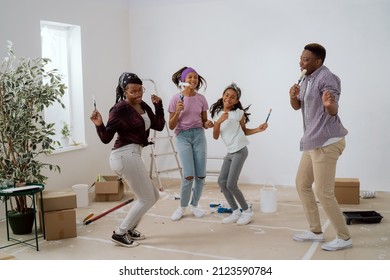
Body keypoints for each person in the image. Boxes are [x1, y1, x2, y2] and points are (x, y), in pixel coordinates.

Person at [90, 72, 165, 247]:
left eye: (140, 90)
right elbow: (106, 138)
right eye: (133, 91)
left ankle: (129, 229)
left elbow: (159, 126)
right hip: (124, 155)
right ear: (125, 91)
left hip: (133, 154)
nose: (138, 94)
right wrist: (99, 124)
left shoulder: (142, 104)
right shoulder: (119, 109)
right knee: (146, 198)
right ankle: (120, 232)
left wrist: (158, 105)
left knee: (152, 196)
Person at [289, 43, 352, 251]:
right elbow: (298, 106)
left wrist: (329, 105)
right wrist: (292, 96)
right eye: (301, 58)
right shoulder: (306, 78)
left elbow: (333, 108)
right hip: (312, 140)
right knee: (302, 183)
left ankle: (344, 237)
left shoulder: (327, 78)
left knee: (324, 192)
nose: (301, 62)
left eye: (306, 59)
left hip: (327, 142)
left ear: (318, 62)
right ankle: (315, 231)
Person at [210, 83, 268, 225]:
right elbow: (215, 136)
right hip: (230, 151)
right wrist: (218, 122)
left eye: (233, 97)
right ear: (222, 96)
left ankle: (247, 211)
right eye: (227, 95)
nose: (229, 98)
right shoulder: (218, 114)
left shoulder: (238, 114)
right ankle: (236, 211)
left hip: (240, 150)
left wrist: (258, 129)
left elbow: (244, 131)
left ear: (236, 101)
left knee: (231, 184)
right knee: (221, 182)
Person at [168, 66, 214, 221]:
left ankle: (195, 205)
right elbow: (171, 126)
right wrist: (178, 112)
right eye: (190, 77)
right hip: (183, 136)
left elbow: (204, 121)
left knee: (200, 175)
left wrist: (208, 124)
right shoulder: (175, 99)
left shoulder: (201, 99)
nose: (193, 79)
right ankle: (182, 207)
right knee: (188, 175)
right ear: (183, 80)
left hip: (199, 135)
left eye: (195, 77)